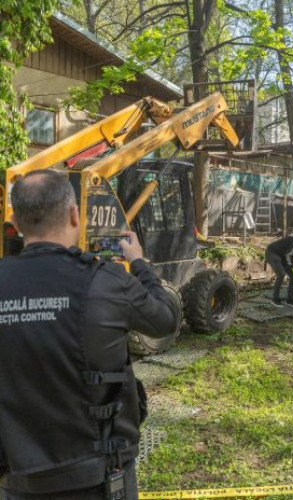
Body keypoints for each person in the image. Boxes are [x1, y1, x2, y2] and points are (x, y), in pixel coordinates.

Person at [0, 170, 181, 499]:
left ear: (15, 221)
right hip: (98, 479)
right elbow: (165, 319)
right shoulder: (108, 281)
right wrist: (139, 263)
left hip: (19, 481)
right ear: (74, 215)